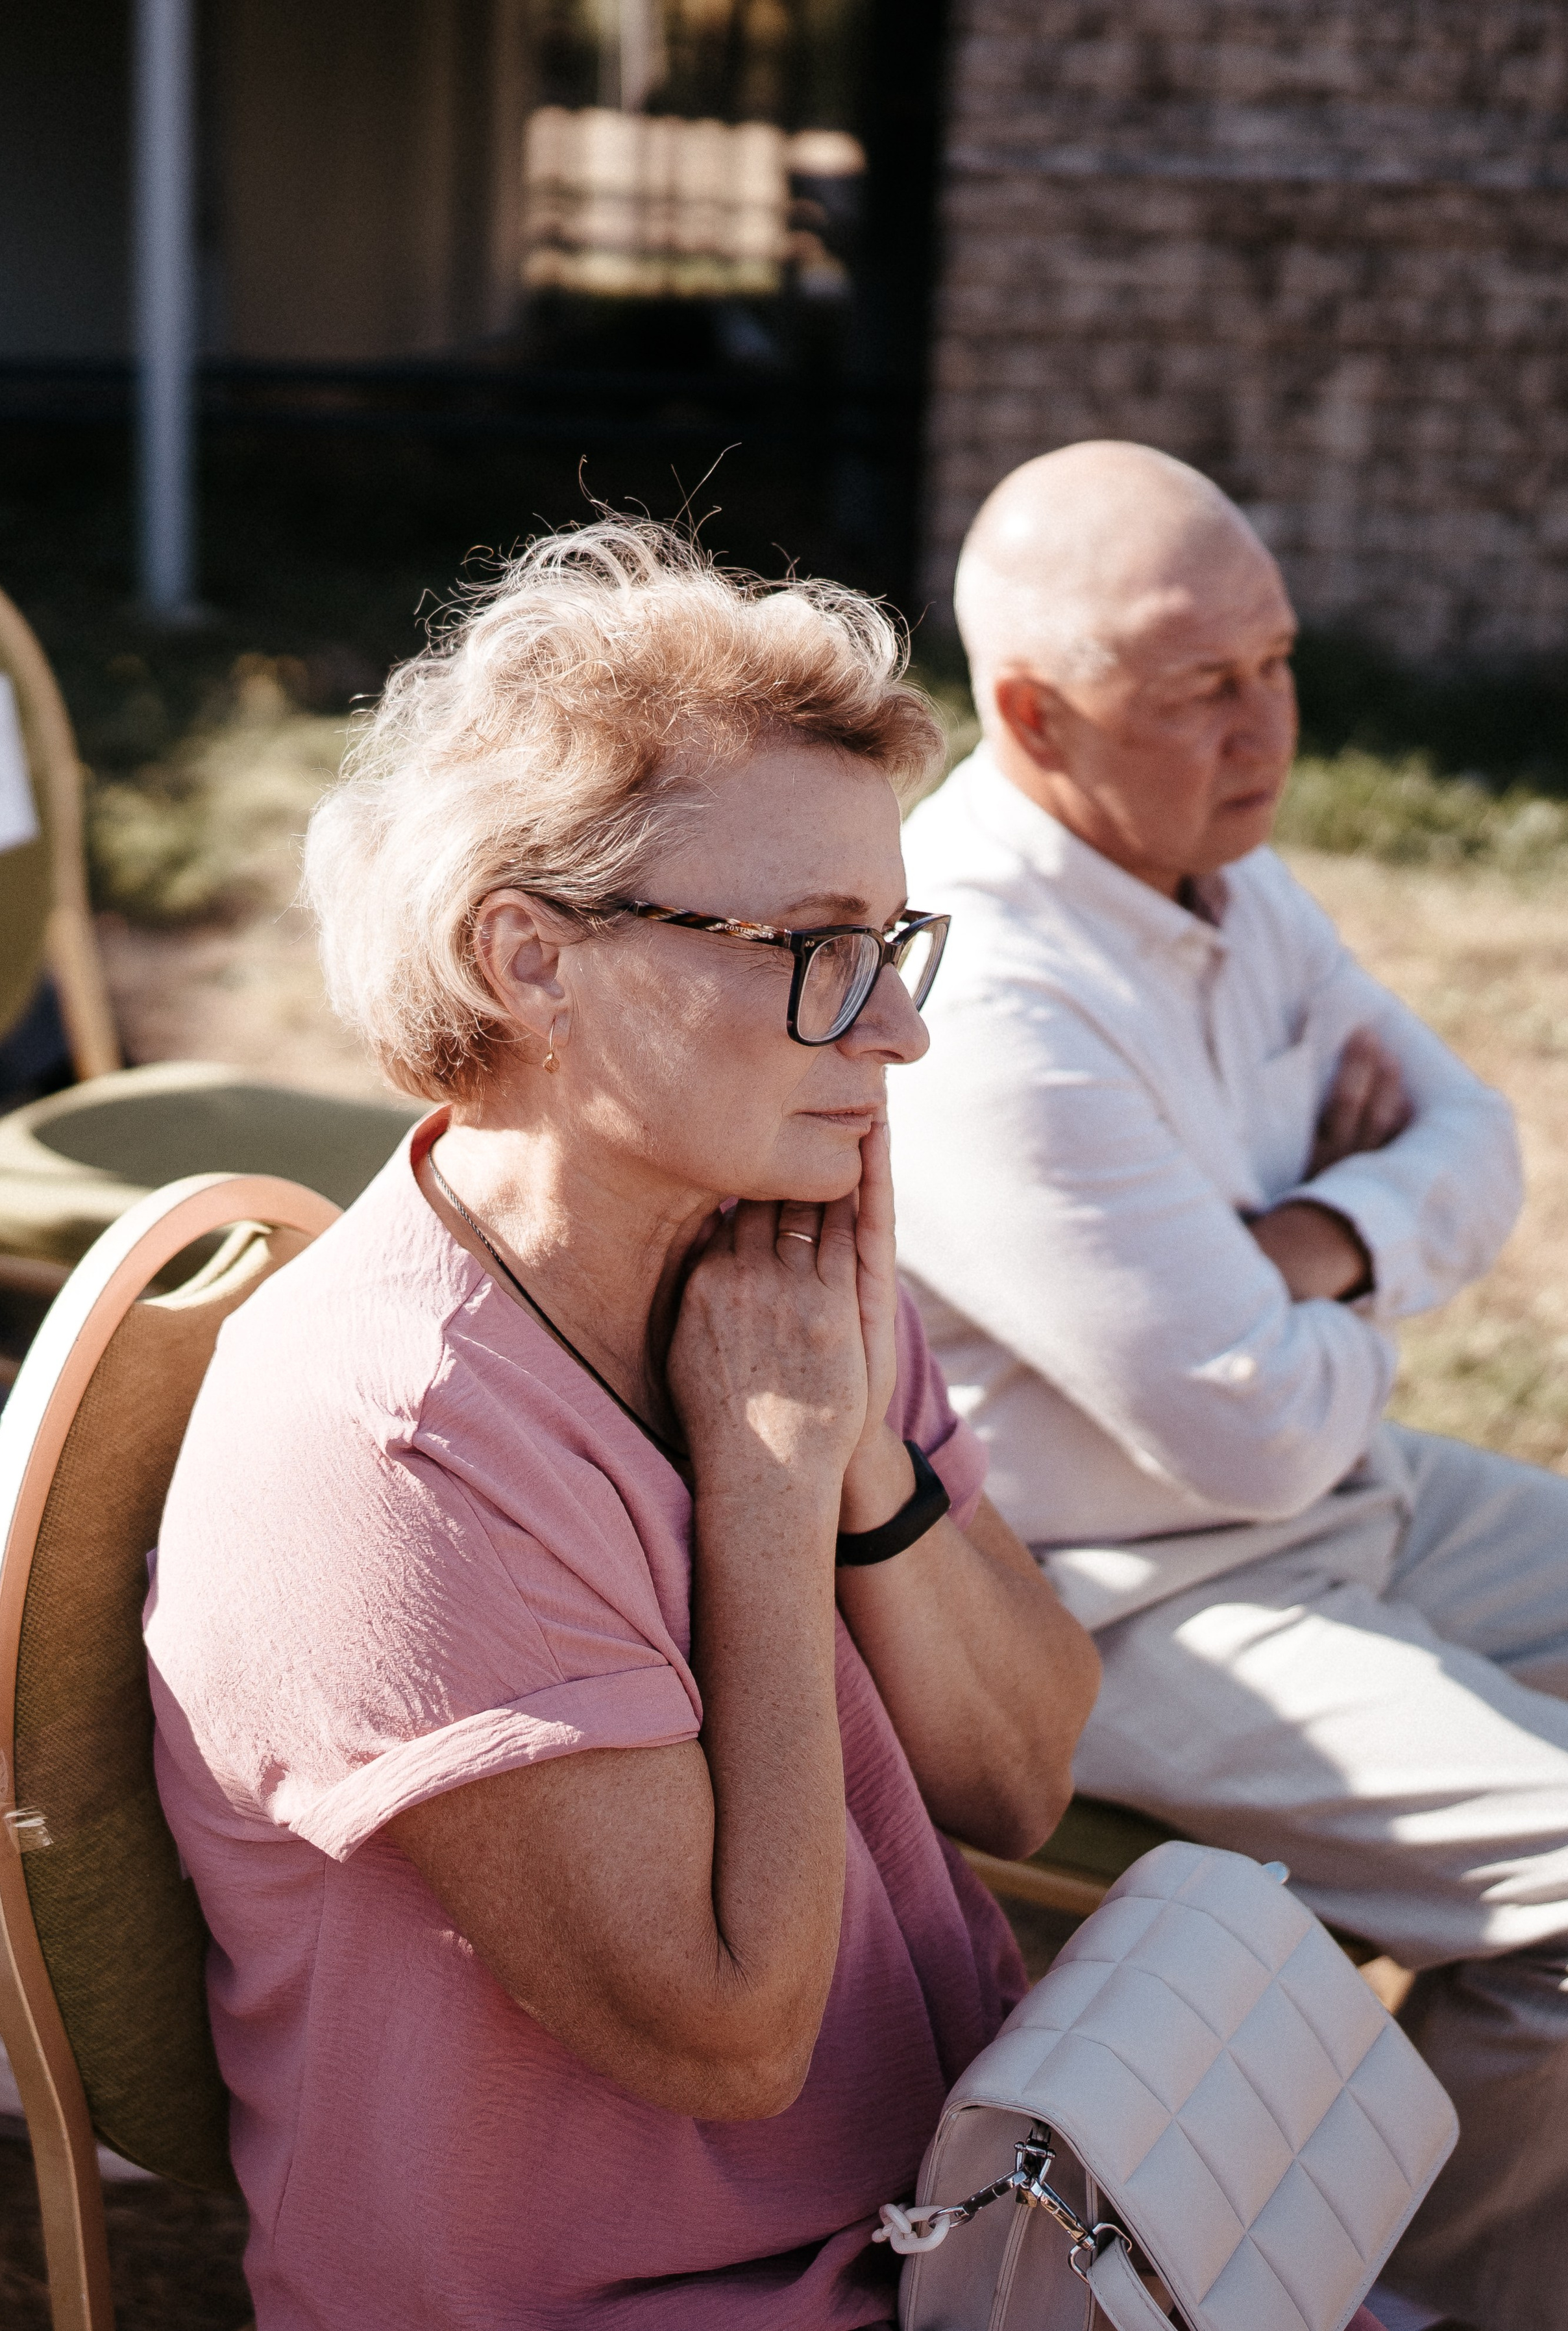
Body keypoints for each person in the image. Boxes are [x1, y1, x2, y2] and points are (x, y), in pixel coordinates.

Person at [143, 520, 1098, 2331]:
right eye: (815, 946)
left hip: (961, 2224)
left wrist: (859, 1464)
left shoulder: (779, 1271)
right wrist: (763, 1491)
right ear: (531, 959)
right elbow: (730, 2035)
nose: (894, 1028)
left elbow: (1021, 1771)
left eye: (893, 941)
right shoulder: (389, 1444)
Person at [887, 441, 1568, 2331]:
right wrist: (1350, 1248)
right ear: (1034, 712)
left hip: (1346, 1498)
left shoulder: (1225, 872)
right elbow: (1248, 1416)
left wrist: (1305, 1243)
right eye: (1200, 686)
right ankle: (1438, 2298)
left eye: (1278, 660)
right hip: (1135, 1608)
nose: (1267, 723)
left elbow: (1485, 1140)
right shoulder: (991, 994)